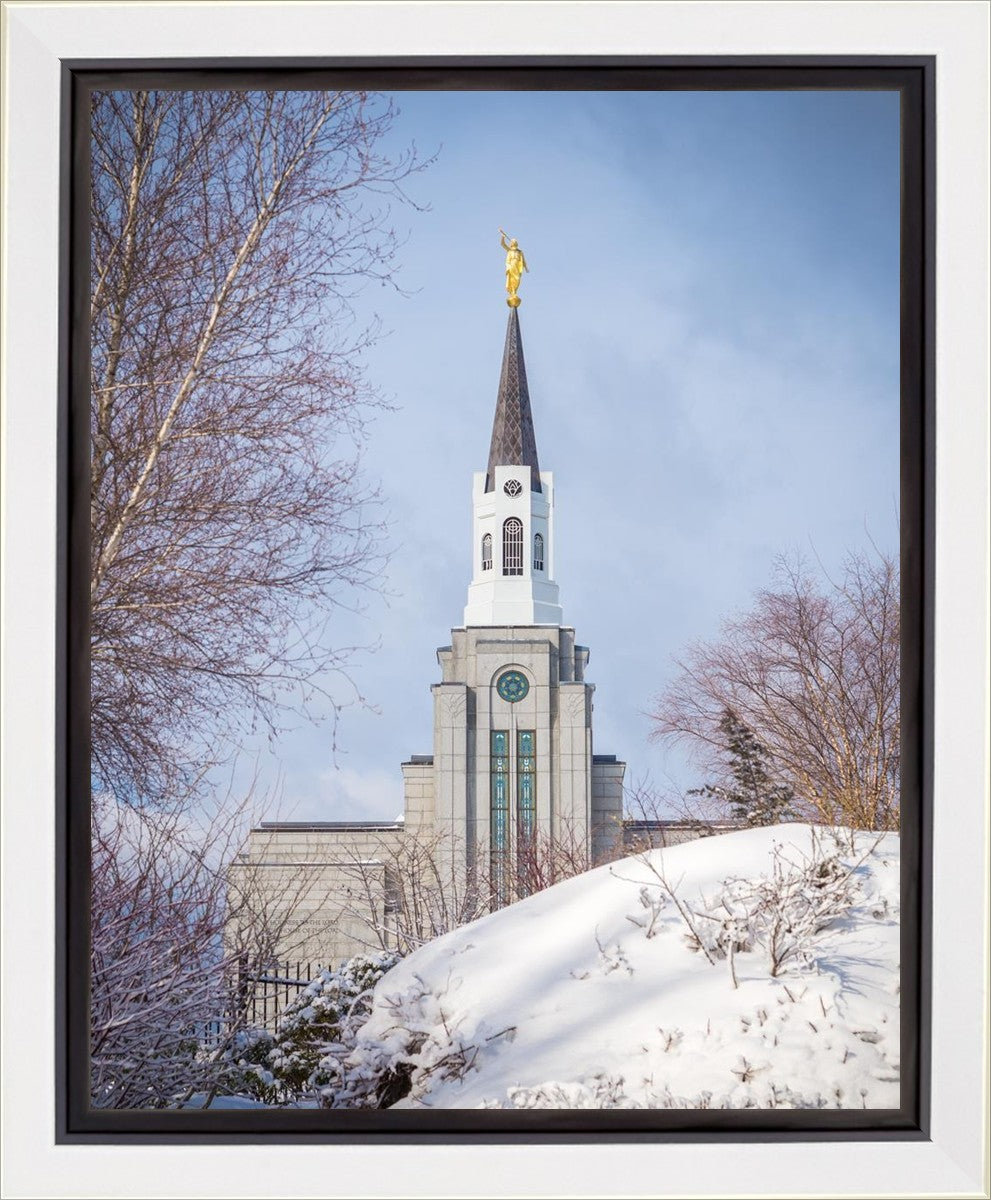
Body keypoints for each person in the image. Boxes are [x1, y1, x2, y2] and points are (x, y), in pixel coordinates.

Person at [499, 229, 528, 301]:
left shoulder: (520, 252)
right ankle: (512, 292)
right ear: (511, 243)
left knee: (517, 279)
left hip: (517, 267)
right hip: (511, 265)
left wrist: (526, 267)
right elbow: (503, 244)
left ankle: (515, 291)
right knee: (511, 279)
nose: (514, 242)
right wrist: (503, 237)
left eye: (515, 241)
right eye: (513, 241)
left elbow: (523, 260)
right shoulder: (509, 250)